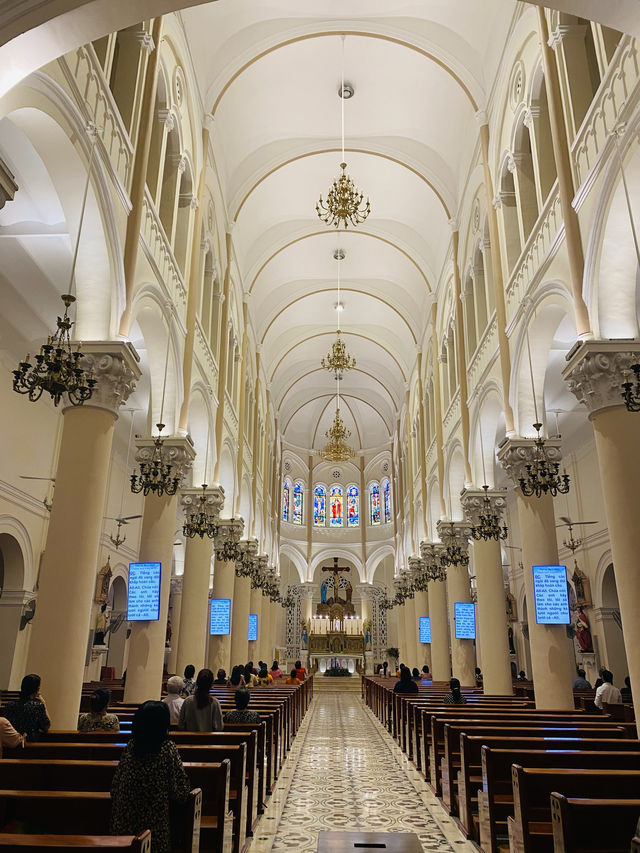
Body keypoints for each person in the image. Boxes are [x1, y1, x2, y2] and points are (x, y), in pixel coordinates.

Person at [110, 701, 190, 853]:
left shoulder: (130, 748)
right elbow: (180, 792)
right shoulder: (167, 750)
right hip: (155, 832)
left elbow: (114, 788)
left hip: (123, 826)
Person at [4, 674, 50, 741]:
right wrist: (44, 703)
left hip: (12, 743)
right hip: (31, 744)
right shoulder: (38, 706)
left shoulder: (9, 705)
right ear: (37, 689)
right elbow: (46, 726)